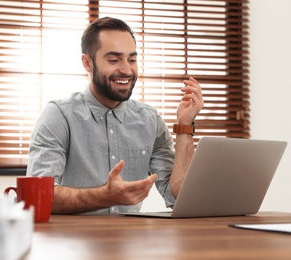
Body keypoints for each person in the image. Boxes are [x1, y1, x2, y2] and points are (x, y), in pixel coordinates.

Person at [26, 17, 204, 214]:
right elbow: (38, 196)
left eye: (132, 59)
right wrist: (103, 196)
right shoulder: (59, 116)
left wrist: (185, 125)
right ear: (87, 63)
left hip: (130, 241)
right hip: (72, 241)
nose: (127, 70)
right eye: (113, 60)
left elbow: (178, 196)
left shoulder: (150, 120)